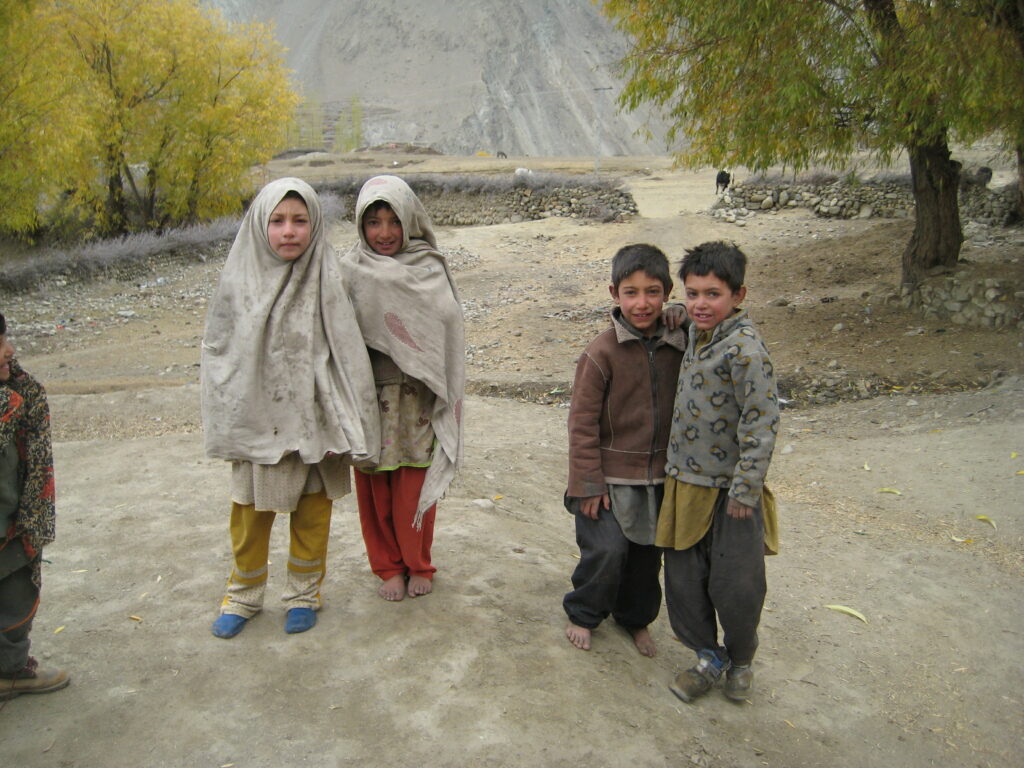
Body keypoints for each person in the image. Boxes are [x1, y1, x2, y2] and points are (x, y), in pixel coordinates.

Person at [201, 177, 379, 638]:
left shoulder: (328, 276)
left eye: (300, 220)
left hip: (316, 420)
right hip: (258, 419)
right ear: (260, 225)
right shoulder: (238, 281)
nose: (288, 231)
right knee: (249, 513)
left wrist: (351, 413)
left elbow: (348, 347)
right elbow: (221, 353)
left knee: (313, 512)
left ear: (314, 225)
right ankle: (243, 595)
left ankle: (303, 594)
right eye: (278, 220)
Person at [658, 241, 780, 703]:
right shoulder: (697, 331)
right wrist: (677, 312)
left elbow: (761, 423)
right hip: (685, 485)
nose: (700, 304)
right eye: (692, 294)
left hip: (731, 494)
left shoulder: (746, 351)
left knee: (737, 584)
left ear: (739, 295)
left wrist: (746, 489)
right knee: (684, 581)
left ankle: (741, 658)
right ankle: (708, 657)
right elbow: (685, 315)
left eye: (713, 294)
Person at [340, 175, 464, 602]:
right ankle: (388, 567)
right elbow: (337, 334)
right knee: (375, 488)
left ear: (410, 220)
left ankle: (418, 563)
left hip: (417, 400)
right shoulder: (349, 271)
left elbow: (447, 326)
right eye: (374, 222)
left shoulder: (429, 267)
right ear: (361, 224)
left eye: (395, 221)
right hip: (371, 398)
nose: (385, 232)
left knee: (415, 486)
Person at [563, 244, 687, 656]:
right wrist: (587, 484)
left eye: (653, 292)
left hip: (658, 477)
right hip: (607, 479)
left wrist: (684, 315)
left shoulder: (678, 342)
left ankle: (635, 619)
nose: (642, 303)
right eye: (631, 292)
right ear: (614, 293)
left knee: (646, 559)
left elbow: (712, 323)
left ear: (667, 292)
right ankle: (583, 613)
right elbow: (581, 423)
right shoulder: (602, 352)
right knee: (606, 550)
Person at [0, 312, 69, 700]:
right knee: (14, 596)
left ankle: (9, 667)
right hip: (6, 531)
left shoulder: (16, 394)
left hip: (13, 524)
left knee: (15, 595)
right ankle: (9, 671)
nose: (10, 350)